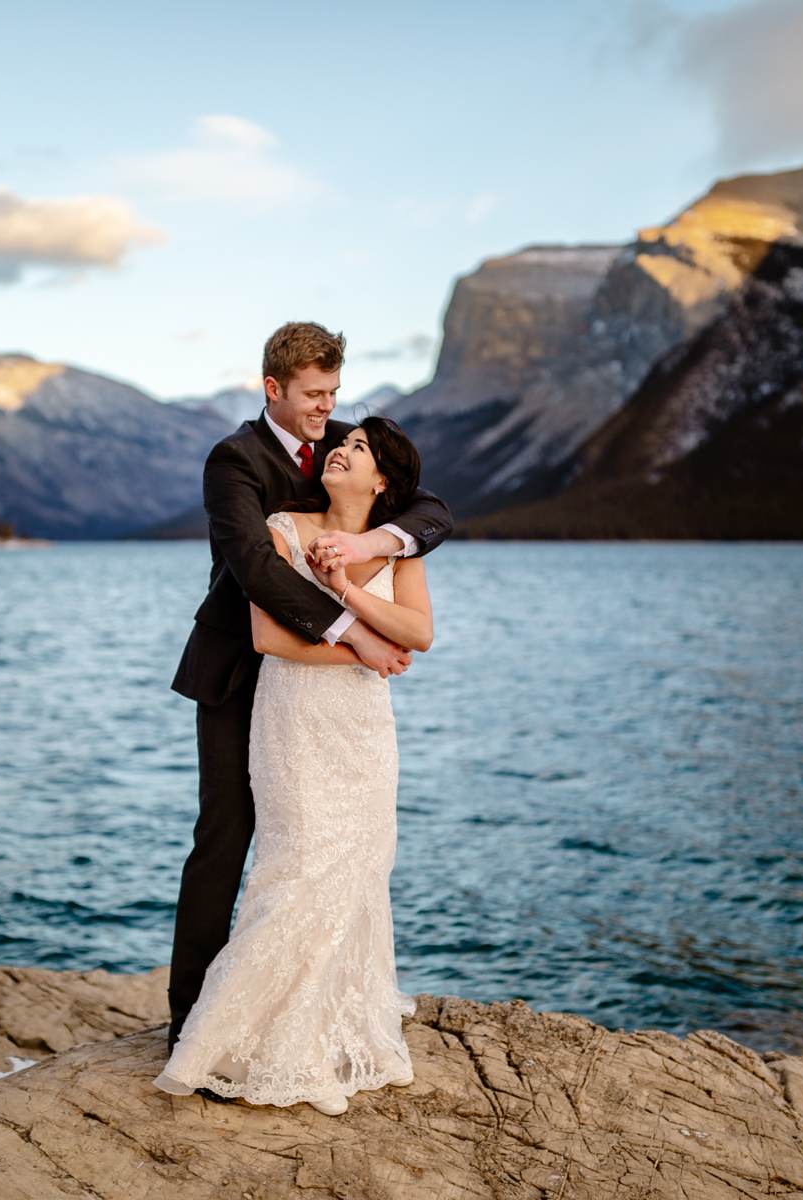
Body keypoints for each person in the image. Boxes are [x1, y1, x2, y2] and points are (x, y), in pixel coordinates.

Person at [164, 321, 452, 1103]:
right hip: (240, 674)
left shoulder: (343, 448)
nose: (329, 410)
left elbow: (429, 508)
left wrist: (376, 545)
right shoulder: (234, 459)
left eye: (333, 392)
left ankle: (312, 1005)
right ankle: (195, 1019)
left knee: (334, 850)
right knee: (226, 839)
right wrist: (355, 632)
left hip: (331, 702)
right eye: (314, 396)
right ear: (273, 390)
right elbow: (254, 566)